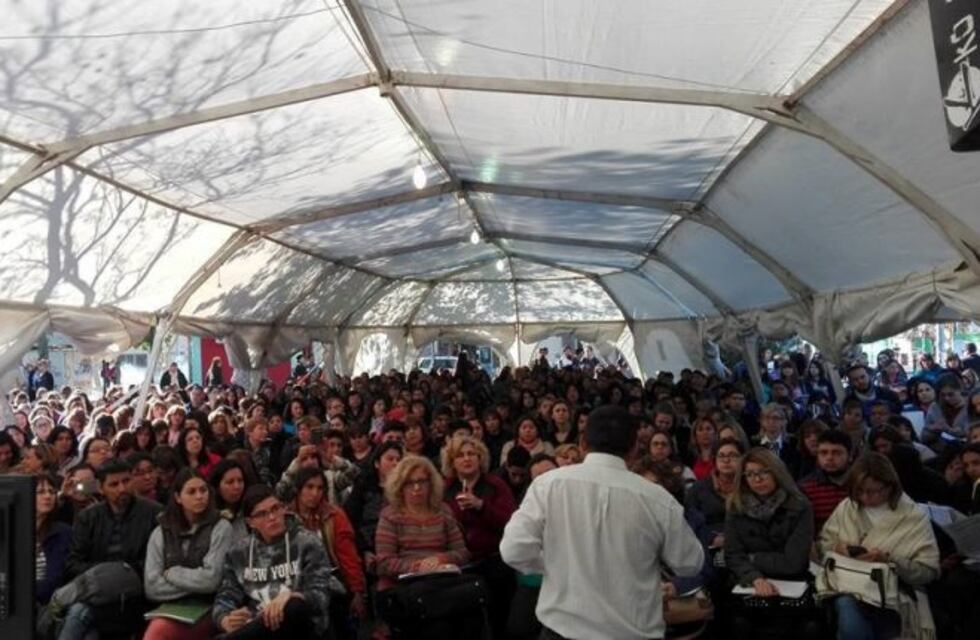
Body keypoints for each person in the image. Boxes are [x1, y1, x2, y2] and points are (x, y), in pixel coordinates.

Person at [500, 405, 704, 640]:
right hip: (633, 632)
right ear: (634, 449)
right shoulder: (658, 499)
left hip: (562, 630)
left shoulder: (548, 485)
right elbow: (690, 563)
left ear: (583, 444)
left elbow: (513, 550)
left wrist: (554, 566)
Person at [817, 453, 940, 640]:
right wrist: (837, 548)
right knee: (848, 611)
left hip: (895, 594)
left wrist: (889, 560)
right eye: (859, 491)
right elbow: (823, 545)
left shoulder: (913, 516)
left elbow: (928, 571)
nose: (865, 497)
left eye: (874, 491)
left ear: (891, 486)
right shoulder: (848, 506)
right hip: (847, 586)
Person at [212, 485, 332, 639]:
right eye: (262, 514)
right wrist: (224, 619)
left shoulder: (307, 542)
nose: (272, 517)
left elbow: (321, 595)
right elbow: (225, 596)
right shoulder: (238, 553)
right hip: (258, 626)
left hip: (301, 627)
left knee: (293, 606)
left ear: (283, 509)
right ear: (250, 522)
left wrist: (292, 596)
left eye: (275, 508)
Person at [62, 459, 163, 640]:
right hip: (96, 592)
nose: (122, 489)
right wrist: (105, 576)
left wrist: (118, 575)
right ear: (101, 488)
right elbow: (72, 565)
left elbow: (155, 564)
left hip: (136, 595)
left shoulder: (153, 513)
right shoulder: (89, 517)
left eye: (126, 481)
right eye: (114, 484)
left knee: (80, 613)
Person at [724, 447, 817, 640]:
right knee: (736, 622)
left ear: (777, 472)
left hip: (793, 582)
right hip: (750, 582)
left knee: (808, 626)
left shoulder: (800, 506)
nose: (757, 480)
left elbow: (794, 562)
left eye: (763, 472)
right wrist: (755, 577)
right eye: (750, 474)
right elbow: (733, 555)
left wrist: (753, 558)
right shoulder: (735, 506)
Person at [143, 468, 233, 640]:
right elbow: (153, 587)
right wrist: (194, 583)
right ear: (178, 498)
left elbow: (212, 580)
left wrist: (172, 573)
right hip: (170, 609)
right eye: (191, 492)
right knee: (159, 628)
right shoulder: (161, 532)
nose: (199, 496)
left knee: (159, 630)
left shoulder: (221, 527)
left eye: (203, 490)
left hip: (210, 607)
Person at [442, 436, 517, 638]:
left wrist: (481, 506)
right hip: (458, 566)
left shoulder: (496, 485)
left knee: (498, 622)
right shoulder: (445, 488)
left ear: (480, 457)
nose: (467, 459)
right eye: (460, 455)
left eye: (471, 454)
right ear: (452, 461)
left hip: (493, 561)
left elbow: (511, 522)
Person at [288, 467, 367, 638]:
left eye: (319, 488)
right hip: (297, 582)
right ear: (299, 489)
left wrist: (357, 591)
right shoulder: (286, 517)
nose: (315, 493)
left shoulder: (334, 515)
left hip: (332, 581)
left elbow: (348, 556)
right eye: (309, 487)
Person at [374, 455, 470, 591]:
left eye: (422, 481)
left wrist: (442, 559)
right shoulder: (390, 516)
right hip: (404, 587)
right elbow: (384, 563)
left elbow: (463, 553)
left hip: (442, 582)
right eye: (409, 482)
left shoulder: (444, 512)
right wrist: (417, 566)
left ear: (431, 483)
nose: (417, 487)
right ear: (400, 486)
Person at [686, 438, 745, 545]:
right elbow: (690, 525)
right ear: (715, 461)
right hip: (709, 547)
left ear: (742, 460)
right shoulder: (698, 489)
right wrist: (711, 538)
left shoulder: (750, 487)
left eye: (732, 455)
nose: (726, 460)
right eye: (721, 456)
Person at [799, 430, 853, 535]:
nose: (829, 458)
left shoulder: (862, 484)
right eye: (823, 453)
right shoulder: (805, 488)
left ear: (850, 456)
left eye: (837, 453)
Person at [36, 472, 72, 605]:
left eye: (51, 492)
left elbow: (55, 579)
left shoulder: (63, 532)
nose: (48, 496)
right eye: (40, 492)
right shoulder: (12, 530)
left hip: (47, 603)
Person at [751, 403, 801, 478]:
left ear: (784, 422)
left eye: (776, 418)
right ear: (761, 422)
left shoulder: (794, 442)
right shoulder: (753, 443)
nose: (771, 421)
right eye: (767, 418)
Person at [209, 459, 252, 544]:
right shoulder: (210, 515)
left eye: (240, 481)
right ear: (217, 486)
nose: (237, 486)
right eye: (230, 482)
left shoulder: (249, 509)